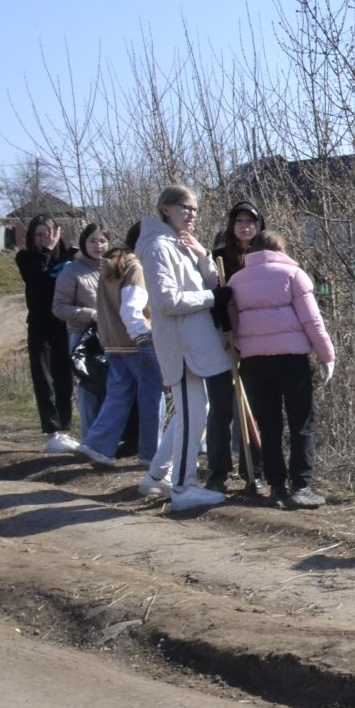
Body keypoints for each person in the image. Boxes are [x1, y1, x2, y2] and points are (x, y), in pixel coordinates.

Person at [137, 186, 236, 512]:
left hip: (193, 344)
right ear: (166, 209)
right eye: (185, 207)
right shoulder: (156, 248)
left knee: (192, 414)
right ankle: (182, 488)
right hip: (181, 346)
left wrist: (203, 255)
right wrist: (211, 300)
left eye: (195, 209)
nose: (192, 214)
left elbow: (211, 282)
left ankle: (157, 476)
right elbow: (166, 302)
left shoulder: (179, 245)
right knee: (192, 416)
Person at [228, 230, 334, 509]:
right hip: (292, 360)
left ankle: (277, 486)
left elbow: (233, 324)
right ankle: (301, 485)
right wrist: (327, 355)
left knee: (268, 425)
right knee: (301, 423)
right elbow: (312, 320)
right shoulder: (293, 275)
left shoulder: (236, 280)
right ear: (281, 249)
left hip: (253, 362)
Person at [75, 234, 161, 474]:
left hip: (112, 343)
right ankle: (150, 453)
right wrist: (144, 337)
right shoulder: (135, 268)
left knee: (118, 396)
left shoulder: (111, 267)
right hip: (136, 343)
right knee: (152, 398)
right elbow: (132, 308)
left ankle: (97, 445)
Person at [209, 200, 266, 491]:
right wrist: (224, 331)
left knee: (252, 407)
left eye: (251, 221)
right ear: (231, 226)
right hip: (222, 340)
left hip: (256, 341)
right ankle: (218, 472)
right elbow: (209, 299)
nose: (245, 226)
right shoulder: (216, 258)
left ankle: (253, 473)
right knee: (221, 408)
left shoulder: (266, 258)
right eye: (240, 221)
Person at [15, 216, 78, 453]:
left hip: (65, 325)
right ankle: (52, 433)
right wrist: (47, 251)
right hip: (40, 325)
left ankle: (65, 429)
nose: (44, 239)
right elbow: (35, 277)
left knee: (65, 378)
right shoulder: (26, 257)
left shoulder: (70, 257)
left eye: (48, 234)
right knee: (44, 379)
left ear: (57, 233)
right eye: (38, 235)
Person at [52, 223, 108, 437]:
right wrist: (91, 314)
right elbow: (59, 307)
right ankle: (90, 439)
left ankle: (109, 440)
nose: (98, 246)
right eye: (93, 240)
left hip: (111, 337)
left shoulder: (113, 268)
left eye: (102, 240)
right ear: (84, 243)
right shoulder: (72, 271)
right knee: (88, 389)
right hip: (82, 338)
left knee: (112, 389)